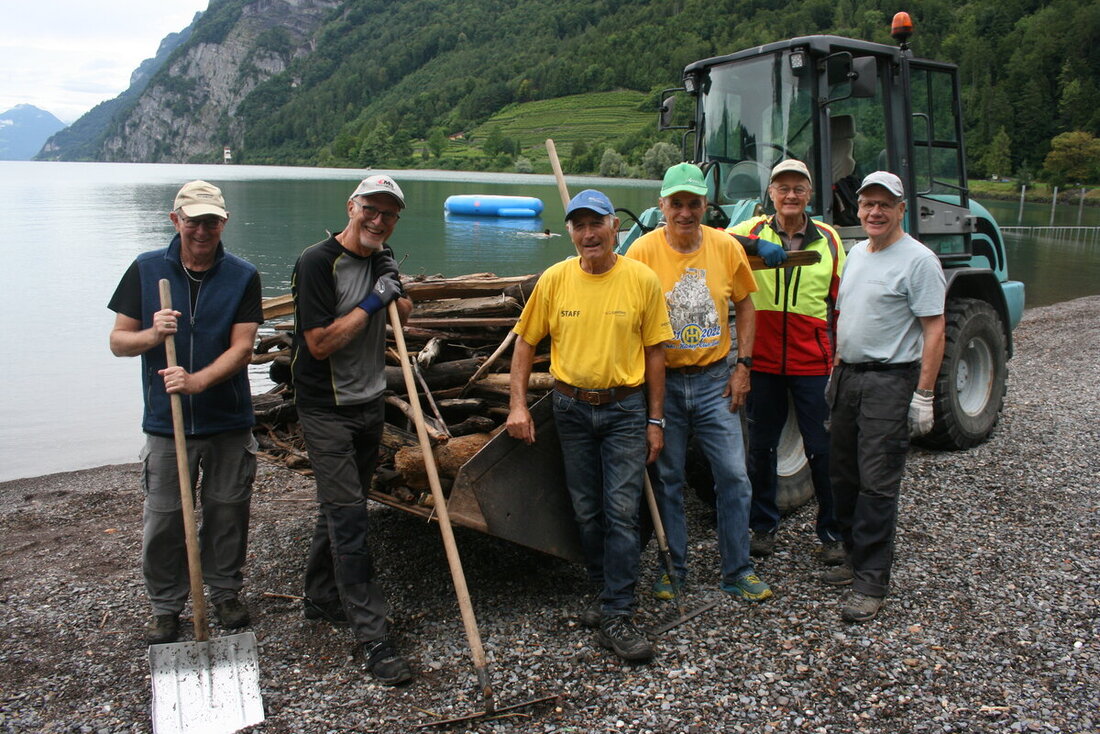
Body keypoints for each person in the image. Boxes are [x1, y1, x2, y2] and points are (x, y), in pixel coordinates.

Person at [507, 189, 672, 662]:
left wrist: (655, 420)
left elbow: (655, 353)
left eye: (595, 223)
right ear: (570, 233)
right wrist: (517, 405)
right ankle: (605, 592)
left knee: (620, 511)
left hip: (624, 410)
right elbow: (524, 342)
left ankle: (619, 611)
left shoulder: (641, 280)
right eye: (578, 226)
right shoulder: (555, 279)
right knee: (585, 509)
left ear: (614, 227)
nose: (587, 234)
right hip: (571, 408)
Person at [108, 180, 262, 645]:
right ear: (175, 220)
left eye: (211, 221)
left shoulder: (242, 275)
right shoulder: (146, 269)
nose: (202, 230)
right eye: (193, 221)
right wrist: (153, 335)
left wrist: (197, 381)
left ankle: (225, 593)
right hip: (165, 422)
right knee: (164, 518)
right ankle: (165, 606)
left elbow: (243, 349)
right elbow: (119, 342)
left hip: (228, 420)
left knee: (227, 513)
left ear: (223, 223)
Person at [624, 162, 778, 604]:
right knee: (667, 478)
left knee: (734, 476)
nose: (685, 212)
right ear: (662, 206)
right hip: (664, 385)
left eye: (693, 203)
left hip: (715, 382)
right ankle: (674, 569)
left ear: (705, 205)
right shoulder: (642, 252)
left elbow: (745, 306)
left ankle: (738, 569)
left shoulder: (725, 247)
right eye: (677, 203)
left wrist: (743, 366)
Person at [290, 174, 414, 684]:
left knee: (343, 507)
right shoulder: (316, 262)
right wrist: (370, 301)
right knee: (350, 520)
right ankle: (373, 637)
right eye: (371, 210)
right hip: (326, 407)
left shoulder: (381, 257)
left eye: (389, 214)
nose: (378, 221)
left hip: (368, 402)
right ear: (351, 206)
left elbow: (404, 314)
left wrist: (391, 283)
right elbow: (319, 344)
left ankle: (320, 597)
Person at [824, 171, 945, 623]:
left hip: (890, 381)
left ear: (901, 210)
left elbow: (934, 328)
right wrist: (835, 370)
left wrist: (924, 395)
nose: (875, 212)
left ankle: (871, 581)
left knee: (877, 483)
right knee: (843, 475)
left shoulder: (919, 261)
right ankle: (853, 555)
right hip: (848, 377)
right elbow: (846, 315)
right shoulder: (857, 253)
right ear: (858, 208)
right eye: (867, 204)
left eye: (884, 205)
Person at [728, 160, 846, 565]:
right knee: (761, 448)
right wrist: (754, 247)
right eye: (783, 188)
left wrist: (840, 354)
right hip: (761, 360)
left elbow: (841, 301)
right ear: (771, 194)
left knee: (822, 449)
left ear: (809, 194)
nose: (790, 195)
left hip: (812, 360)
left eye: (798, 188)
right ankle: (763, 526)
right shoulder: (752, 230)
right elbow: (711, 239)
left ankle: (832, 533)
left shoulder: (829, 239)